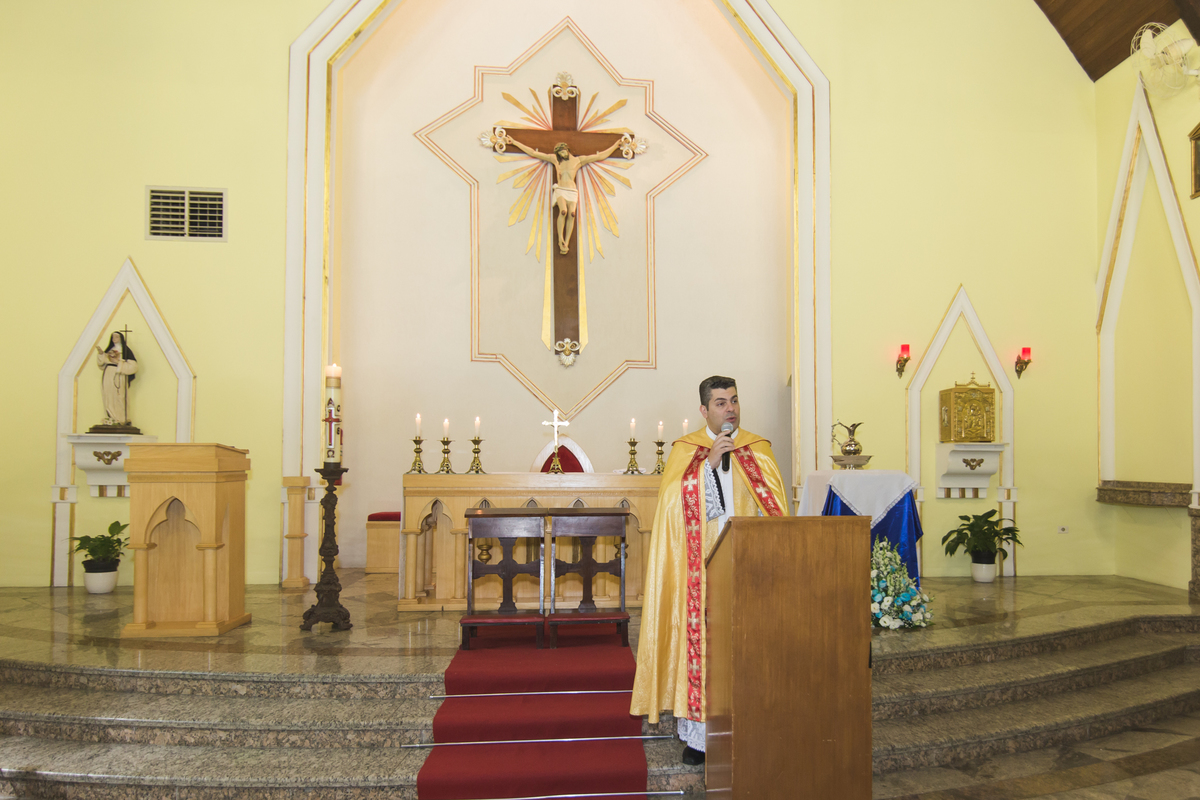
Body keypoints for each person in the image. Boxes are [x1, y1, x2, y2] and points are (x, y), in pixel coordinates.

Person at [630, 375, 789, 765]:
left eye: (734, 400)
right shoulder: (687, 451)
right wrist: (709, 467)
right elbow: (669, 506)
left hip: (749, 566)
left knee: (747, 645)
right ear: (703, 410)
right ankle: (700, 738)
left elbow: (777, 509)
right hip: (700, 570)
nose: (730, 409)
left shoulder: (758, 447)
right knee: (705, 646)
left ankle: (754, 724)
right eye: (720, 403)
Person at [504, 135, 622, 254]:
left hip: (572, 191)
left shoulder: (578, 160)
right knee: (563, 211)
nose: (562, 154)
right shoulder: (555, 159)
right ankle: (560, 238)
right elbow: (533, 153)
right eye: (559, 153)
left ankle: (566, 241)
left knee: (572, 214)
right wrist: (514, 142)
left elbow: (599, 156)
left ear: (567, 149)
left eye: (563, 151)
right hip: (561, 189)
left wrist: (615, 146)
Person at [95, 331, 138, 425]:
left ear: (121, 338)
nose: (114, 339)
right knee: (108, 395)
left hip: (118, 375)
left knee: (119, 395)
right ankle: (111, 417)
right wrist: (101, 354)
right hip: (108, 374)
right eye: (113, 337)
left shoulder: (125, 350)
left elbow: (134, 366)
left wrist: (119, 363)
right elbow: (102, 364)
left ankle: (121, 419)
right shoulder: (110, 350)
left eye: (116, 337)